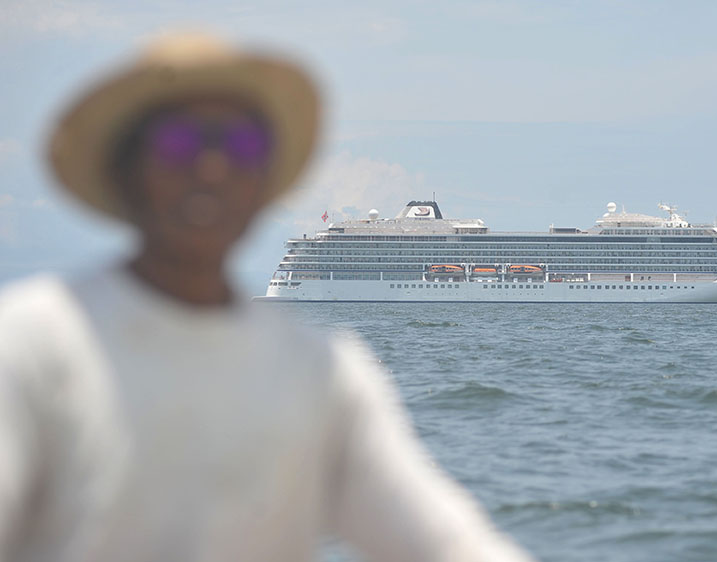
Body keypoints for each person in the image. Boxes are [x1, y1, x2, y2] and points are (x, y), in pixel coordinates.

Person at [0, 33, 534, 562]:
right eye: (179, 142)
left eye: (242, 144)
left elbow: (445, 541)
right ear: (127, 169)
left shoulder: (322, 372)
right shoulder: (30, 344)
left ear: (266, 178)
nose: (212, 168)